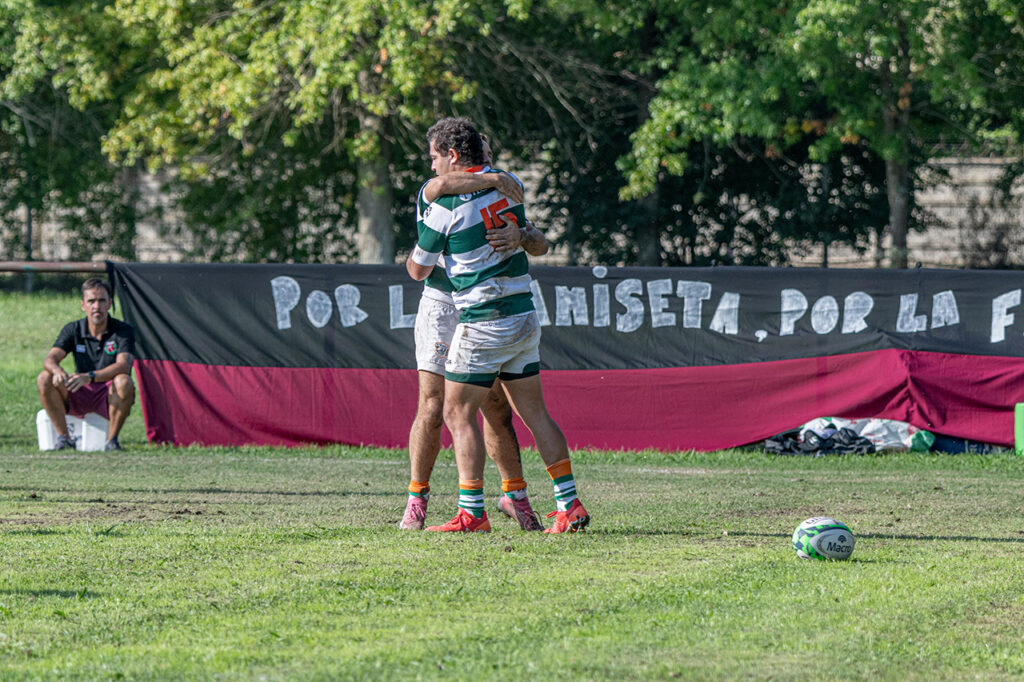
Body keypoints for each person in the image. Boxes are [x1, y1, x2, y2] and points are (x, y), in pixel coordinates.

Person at [407, 117, 590, 534]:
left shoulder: (445, 206)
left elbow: (418, 269)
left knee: (456, 412)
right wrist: (498, 195)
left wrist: (519, 235)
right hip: (523, 314)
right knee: (535, 413)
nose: (431, 165)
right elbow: (448, 183)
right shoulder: (509, 188)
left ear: (452, 155)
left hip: (483, 319)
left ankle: (472, 512)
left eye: (434, 157)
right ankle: (569, 504)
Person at [37, 278, 136, 451]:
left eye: (101, 301)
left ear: (109, 304)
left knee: (124, 381)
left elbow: (124, 366)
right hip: (78, 390)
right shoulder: (73, 329)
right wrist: (58, 371)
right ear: (83, 305)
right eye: (91, 301)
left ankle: (112, 442)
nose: (96, 306)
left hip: (107, 393)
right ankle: (64, 439)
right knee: (44, 377)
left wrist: (89, 377)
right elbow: (49, 359)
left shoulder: (123, 330)